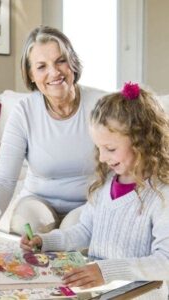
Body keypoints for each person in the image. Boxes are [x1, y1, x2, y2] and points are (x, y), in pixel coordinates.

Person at [0, 26, 106, 252]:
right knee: (28, 226)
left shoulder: (102, 105)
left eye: (61, 61)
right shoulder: (24, 112)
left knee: (73, 235)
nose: (54, 72)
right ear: (31, 75)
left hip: (88, 204)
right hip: (38, 200)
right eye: (41, 66)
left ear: (73, 63)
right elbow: (4, 179)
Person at [21, 82, 169, 298]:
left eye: (110, 149)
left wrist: (107, 271)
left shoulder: (161, 195)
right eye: (99, 148)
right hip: (101, 291)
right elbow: (85, 231)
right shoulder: (106, 183)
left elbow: (165, 261)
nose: (101, 158)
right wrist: (46, 241)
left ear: (142, 141)